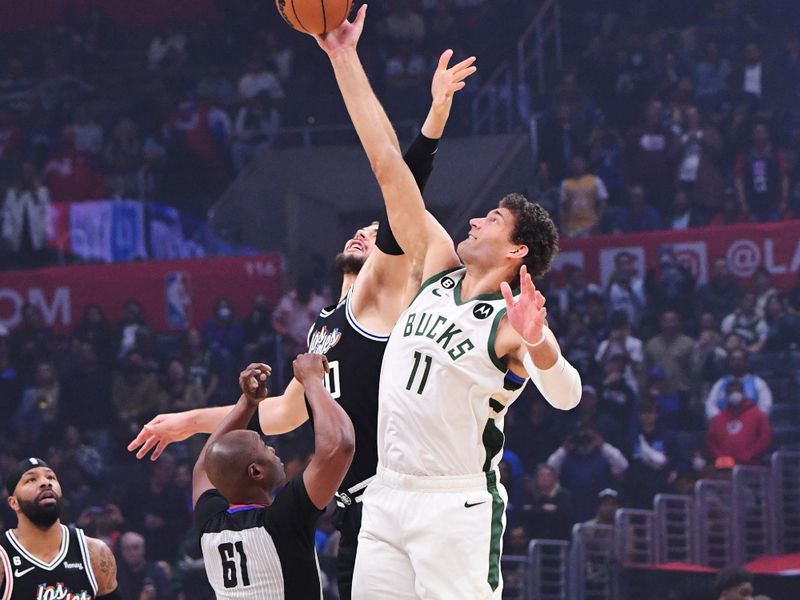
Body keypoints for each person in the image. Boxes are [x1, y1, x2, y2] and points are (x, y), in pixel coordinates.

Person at [130, 50, 474, 600]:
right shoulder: (324, 328)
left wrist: (431, 116)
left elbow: (396, 185)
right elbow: (283, 412)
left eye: (374, 231)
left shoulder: (383, 295)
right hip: (358, 514)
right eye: (356, 230)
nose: (365, 234)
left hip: (406, 498)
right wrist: (187, 422)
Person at [315, 8, 581, 598]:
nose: (474, 219)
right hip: (387, 493)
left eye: (492, 219)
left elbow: (567, 396)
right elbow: (389, 169)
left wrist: (538, 342)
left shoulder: (516, 324)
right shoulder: (434, 266)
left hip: (454, 503)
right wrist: (343, 58)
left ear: (517, 251)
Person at [193, 356, 354, 599]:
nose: (273, 449)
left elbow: (206, 466)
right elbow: (339, 446)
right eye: (264, 445)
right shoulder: (283, 519)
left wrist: (247, 404)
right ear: (256, 471)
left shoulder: (210, 524)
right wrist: (312, 382)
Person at [0, 457, 119, 598]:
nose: (45, 483)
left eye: (51, 477)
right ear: (14, 503)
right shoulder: (3, 557)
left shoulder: (94, 552)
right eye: (31, 480)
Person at [707, 380, 772, 466]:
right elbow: (711, 441)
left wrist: (751, 454)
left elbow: (765, 437)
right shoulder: (718, 419)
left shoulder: (757, 415)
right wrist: (721, 457)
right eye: (731, 392)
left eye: (737, 391)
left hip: (751, 465)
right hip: (725, 468)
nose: (734, 394)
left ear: (743, 393)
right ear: (726, 395)